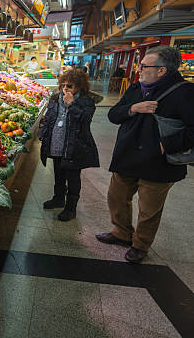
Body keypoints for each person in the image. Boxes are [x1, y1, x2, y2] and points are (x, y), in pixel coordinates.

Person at [96, 46, 194, 264]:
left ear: (162, 71)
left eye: (144, 66)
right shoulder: (135, 89)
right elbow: (114, 115)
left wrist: (166, 144)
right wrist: (133, 108)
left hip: (159, 162)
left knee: (149, 209)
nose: (138, 69)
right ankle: (121, 232)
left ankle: (140, 244)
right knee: (117, 197)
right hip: (128, 155)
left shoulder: (185, 92)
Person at [40, 69, 100, 221]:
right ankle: (58, 198)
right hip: (56, 144)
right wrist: (44, 134)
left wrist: (71, 104)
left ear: (79, 87)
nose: (65, 88)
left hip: (74, 146)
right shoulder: (55, 98)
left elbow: (84, 119)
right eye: (63, 85)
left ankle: (70, 208)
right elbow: (49, 118)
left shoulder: (86, 102)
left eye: (70, 86)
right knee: (59, 174)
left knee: (73, 178)